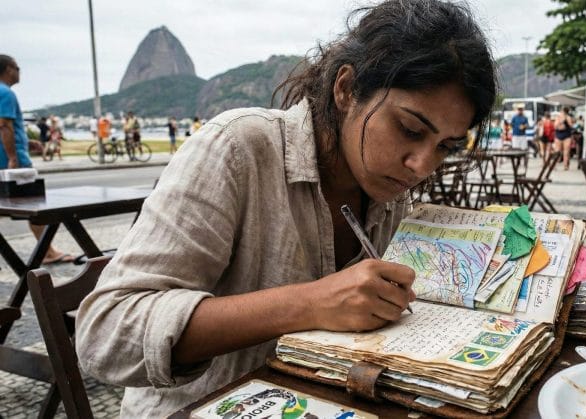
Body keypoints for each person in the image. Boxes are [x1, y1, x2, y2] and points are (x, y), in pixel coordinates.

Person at [75, 1, 496, 416]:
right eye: (409, 129)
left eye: (445, 147)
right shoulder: (237, 148)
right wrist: (310, 304)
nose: (421, 166)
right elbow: (106, 334)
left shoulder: (389, 193)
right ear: (346, 89)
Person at [0, 55, 74, 264]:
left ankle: (47, 251)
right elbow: (4, 125)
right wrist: (13, 157)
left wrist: (26, 142)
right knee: (34, 206)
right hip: (13, 163)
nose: (19, 72)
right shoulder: (6, 93)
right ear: (8, 69)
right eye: (17, 68)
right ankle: (47, 252)